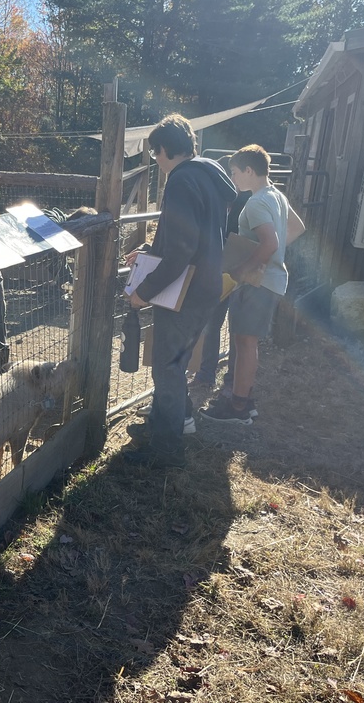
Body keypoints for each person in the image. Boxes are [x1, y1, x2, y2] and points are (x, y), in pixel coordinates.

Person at [124, 114, 236, 468]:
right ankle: (168, 422)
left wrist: (146, 288)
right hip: (208, 284)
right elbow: (196, 237)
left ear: (165, 149)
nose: (156, 160)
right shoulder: (209, 176)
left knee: (167, 366)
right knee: (178, 360)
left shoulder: (181, 181)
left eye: (156, 153)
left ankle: (166, 450)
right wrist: (152, 251)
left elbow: (184, 245)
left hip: (183, 289)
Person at [199, 144, 289, 425]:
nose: (233, 179)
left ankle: (237, 408)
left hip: (257, 282)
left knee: (245, 343)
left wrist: (242, 268)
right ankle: (243, 401)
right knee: (244, 341)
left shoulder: (257, 202)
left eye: (236, 173)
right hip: (268, 280)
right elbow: (292, 230)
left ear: (249, 170)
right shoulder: (276, 196)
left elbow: (271, 243)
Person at [191, 175, 253, 389]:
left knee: (233, 327)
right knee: (212, 323)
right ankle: (207, 373)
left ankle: (229, 379)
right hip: (222, 268)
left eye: (235, 174)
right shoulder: (218, 201)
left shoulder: (248, 202)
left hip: (239, 267)